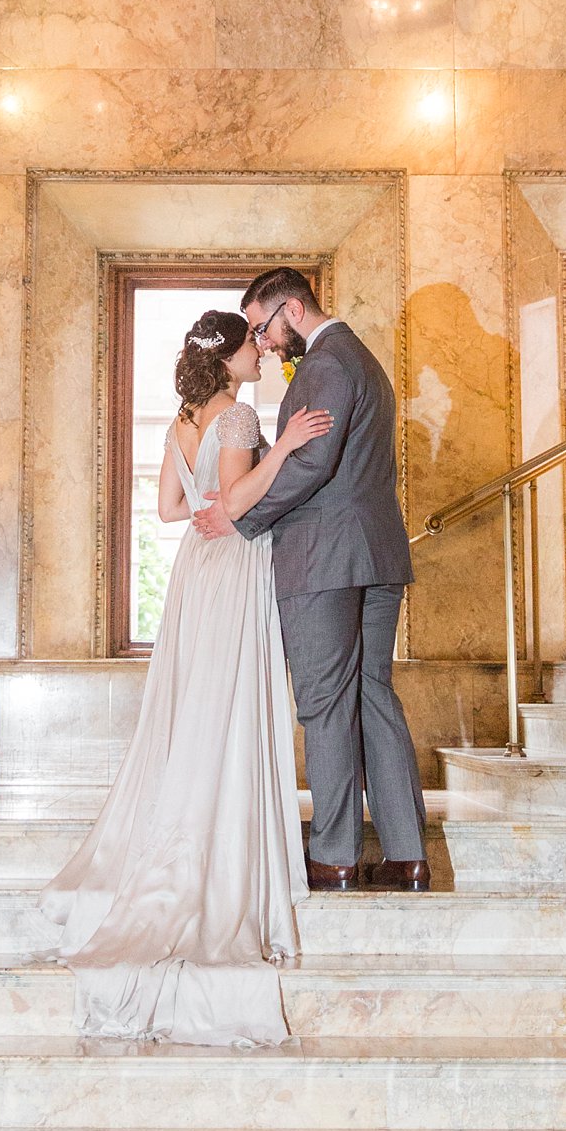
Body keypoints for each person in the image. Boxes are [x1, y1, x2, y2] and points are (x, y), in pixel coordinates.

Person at [38, 309, 332, 1047]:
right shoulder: (236, 414)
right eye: (251, 345)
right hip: (230, 563)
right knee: (225, 707)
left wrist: (216, 496)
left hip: (193, 572)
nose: (260, 355)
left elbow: (172, 509)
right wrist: (285, 446)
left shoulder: (181, 420)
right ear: (229, 355)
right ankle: (219, 843)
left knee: (200, 706)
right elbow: (231, 504)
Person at [193, 269, 429, 893]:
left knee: (324, 703)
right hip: (376, 555)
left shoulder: (326, 364)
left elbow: (309, 467)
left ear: (292, 309)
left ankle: (335, 857)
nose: (263, 343)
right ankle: (407, 855)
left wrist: (237, 514)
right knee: (373, 697)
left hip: (324, 560)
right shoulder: (364, 360)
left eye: (264, 328)